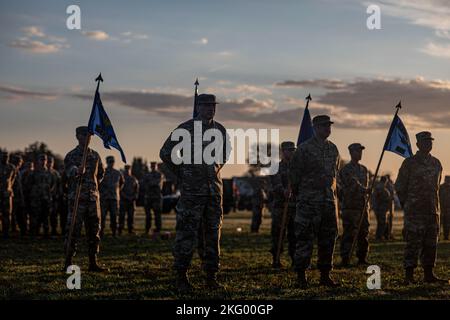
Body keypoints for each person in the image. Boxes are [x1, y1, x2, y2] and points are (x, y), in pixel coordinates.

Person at [160, 93, 230, 292]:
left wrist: (214, 170)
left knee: (212, 234)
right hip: (192, 192)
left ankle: (211, 276)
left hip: (214, 192)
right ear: (198, 106)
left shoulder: (220, 130)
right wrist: (184, 171)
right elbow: (166, 152)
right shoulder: (186, 128)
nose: (211, 109)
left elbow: (225, 153)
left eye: (213, 105)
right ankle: (182, 276)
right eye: (207, 105)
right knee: (187, 234)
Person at [289, 115, 341, 288]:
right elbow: (294, 176)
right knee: (305, 239)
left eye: (329, 126)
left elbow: (335, 175)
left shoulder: (333, 149)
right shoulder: (304, 149)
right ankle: (301, 276)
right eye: (324, 126)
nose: (327, 128)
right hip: (309, 202)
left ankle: (325, 275)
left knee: (328, 240)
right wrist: (302, 194)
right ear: (315, 127)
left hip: (328, 202)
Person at [395, 131, 448, 284]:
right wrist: (408, 205)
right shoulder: (409, 163)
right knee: (413, 243)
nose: (428, 143)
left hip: (432, 211)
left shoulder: (436, 163)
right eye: (425, 141)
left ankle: (429, 274)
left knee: (431, 243)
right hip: (415, 211)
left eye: (430, 141)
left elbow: (436, 187)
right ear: (417, 144)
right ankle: (409, 276)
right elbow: (399, 187)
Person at [63, 126, 106, 272]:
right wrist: (76, 171)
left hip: (92, 200)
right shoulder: (71, 155)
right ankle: (68, 262)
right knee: (72, 231)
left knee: (94, 231)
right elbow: (68, 171)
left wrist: (92, 187)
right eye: (83, 135)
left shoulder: (95, 155)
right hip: (77, 199)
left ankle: (93, 262)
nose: (86, 138)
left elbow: (100, 173)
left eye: (88, 135)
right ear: (77, 136)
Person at [339, 143, 370, 266]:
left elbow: (365, 186)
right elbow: (353, 184)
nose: (360, 153)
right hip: (351, 207)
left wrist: (367, 192)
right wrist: (365, 190)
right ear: (351, 153)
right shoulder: (346, 170)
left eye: (361, 151)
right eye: (357, 151)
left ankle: (362, 257)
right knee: (349, 233)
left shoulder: (364, 169)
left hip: (363, 206)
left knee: (364, 233)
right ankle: (345, 257)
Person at [269, 141, 296, 268]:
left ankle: (295, 259)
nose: (291, 152)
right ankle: (276, 258)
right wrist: (283, 191)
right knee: (278, 233)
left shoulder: (296, 168)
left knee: (294, 234)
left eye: (293, 150)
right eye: (289, 150)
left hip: (295, 206)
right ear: (283, 151)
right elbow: (276, 183)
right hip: (281, 205)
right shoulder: (276, 167)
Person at [27, 154, 54, 237]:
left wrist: (49, 194)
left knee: (46, 216)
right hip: (36, 199)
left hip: (46, 198)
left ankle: (46, 233)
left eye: (44, 160)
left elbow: (53, 185)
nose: (43, 162)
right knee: (35, 216)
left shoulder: (50, 173)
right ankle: (35, 233)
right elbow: (28, 185)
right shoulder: (33, 173)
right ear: (38, 161)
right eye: (41, 160)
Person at [99, 155, 124, 237]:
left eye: (112, 162)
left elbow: (121, 184)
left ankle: (114, 233)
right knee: (102, 217)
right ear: (106, 162)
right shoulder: (102, 172)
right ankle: (101, 232)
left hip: (114, 198)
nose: (111, 163)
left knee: (114, 216)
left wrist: (116, 191)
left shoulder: (118, 173)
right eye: (109, 162)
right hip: (104, 198)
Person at [142, 162, 163, 235]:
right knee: (148, 215)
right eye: (152, 166)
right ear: (150, 166)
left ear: (156, 166)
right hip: (148, 197)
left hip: (156, 197)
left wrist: (150, 183)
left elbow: (157, 183)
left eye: (154, 166)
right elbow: (144, 184)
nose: (153, 167)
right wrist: (151, 184)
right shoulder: (147, 175)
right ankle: (147, 229)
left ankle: (158, 230)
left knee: (157, 215)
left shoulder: (159, 174)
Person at [119, 165, 139, 235]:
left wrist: (133, 197)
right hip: (123, 201)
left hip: (131, 201)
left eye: (128, 169)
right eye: (126, 169)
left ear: (130, 170)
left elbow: (136, 190)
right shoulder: (121, 179)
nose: (127, 171)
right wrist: (126, 197)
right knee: (122, 216)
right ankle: (120, 229)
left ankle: (130, 229)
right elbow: (119, 190)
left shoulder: (134, 179)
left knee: (131, 216)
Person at [0, 151, 16, 239]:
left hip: (7, 194)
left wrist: (9, 188)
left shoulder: (11, 167)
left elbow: (12, 179)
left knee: (7, 213)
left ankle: (6, 232)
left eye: (7, 156)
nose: (5, 158)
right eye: (3, 156)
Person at [372, 176, 392, 241]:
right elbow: (378, 199)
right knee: (381, 223)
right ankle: (379, 237)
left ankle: (383, 236)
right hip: (381, 209)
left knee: (383, 223)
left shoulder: (379, 187)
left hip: (382, 208)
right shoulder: (380, 188)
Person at [47, 156, 62, 236]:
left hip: (53, 198)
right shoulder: (43, 172)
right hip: (43, 197)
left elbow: (59, 185)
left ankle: (53, 230)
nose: (49, 164)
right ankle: (45, 230)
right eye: (48, 162)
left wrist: (59, 195)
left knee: (54, 215)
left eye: (51, 162)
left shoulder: (55, 173)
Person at [439, 176, 450, 240]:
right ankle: (438, 237)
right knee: (439, 224)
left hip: (448, 209)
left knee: (447, 224)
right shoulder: (441, 187)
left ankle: (446, 237)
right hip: (441, 208)